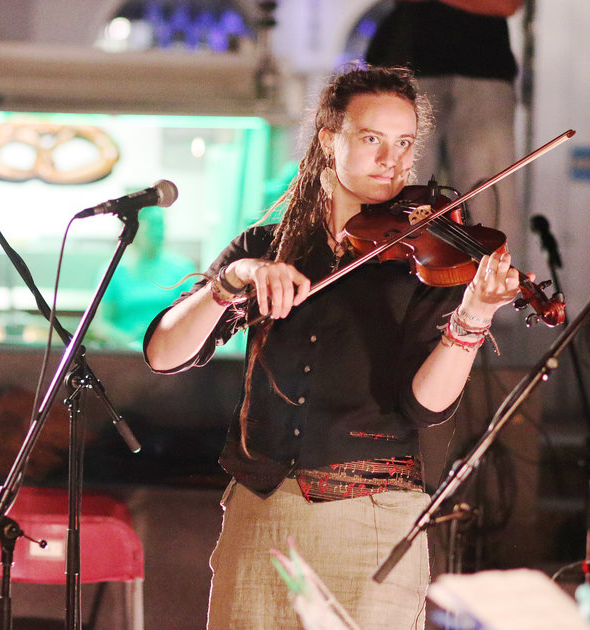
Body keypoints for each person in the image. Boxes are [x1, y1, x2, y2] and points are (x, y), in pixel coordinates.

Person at [143, 66, 524, 629]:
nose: (391, 161)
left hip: (369, 523)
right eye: (372, 139)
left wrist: (473, 317)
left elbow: (427, 406)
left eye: (404, 144)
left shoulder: (426, 260)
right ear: (329, 140)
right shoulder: (266, 247)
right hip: (258, 514)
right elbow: (163, 354)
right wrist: (233, 279)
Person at [365, 0, 525, 256]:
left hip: (483, 71)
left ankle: (495, 276)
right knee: (402, 198)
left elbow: (507, 4)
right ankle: (395, 275)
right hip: (407, 63)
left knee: (488, 203)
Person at [93, 205, 196, 348]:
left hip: (171, 348)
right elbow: (101, 324)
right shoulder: (113, 271)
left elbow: (194, 318)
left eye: (161, 224)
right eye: (153, 224)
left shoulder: (183, 268)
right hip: (128, 352)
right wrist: (127, 340)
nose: (159, 231)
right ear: (134, 228)